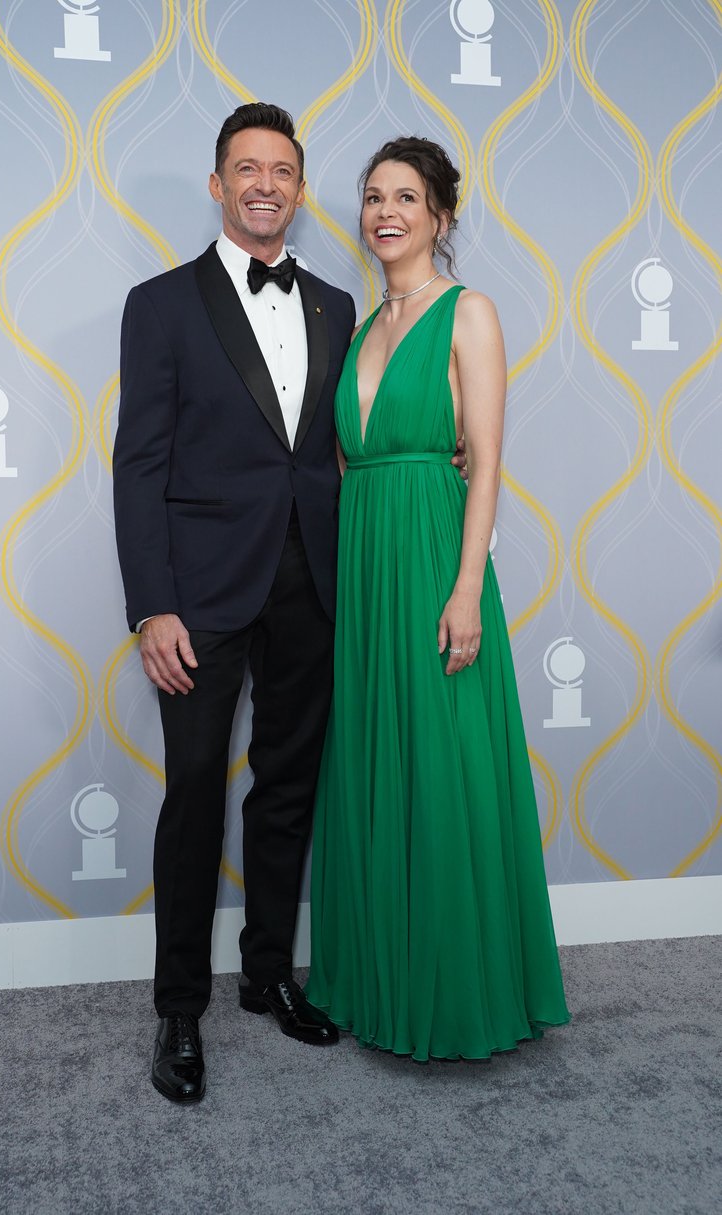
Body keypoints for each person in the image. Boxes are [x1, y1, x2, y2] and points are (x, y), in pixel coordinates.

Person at [306, 137, 571, 1062]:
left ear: (441, 217)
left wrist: (466, 587)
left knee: (442, 764)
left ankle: (459, 988)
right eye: (373, 196)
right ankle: (377, 979)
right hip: (365, 559)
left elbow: (488, 462)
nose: (385, 211)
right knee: (378, 758)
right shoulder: (356, 327)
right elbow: (344, 458)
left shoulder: (471, 315)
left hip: (431, 559)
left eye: (406, 197)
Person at [112, 103, 356, 1103]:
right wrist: (151, 605)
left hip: (312, 579)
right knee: (196, 794)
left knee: (289, 787)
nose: (266, 183)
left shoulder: (339, 305)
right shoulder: (160, 303)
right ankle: (180, 1008)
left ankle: (267, 976)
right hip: (201, 590)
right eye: (247, 168)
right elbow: (139, 465)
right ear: (218, 185)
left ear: (299, 190)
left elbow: (346, 439)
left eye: (283, 170)